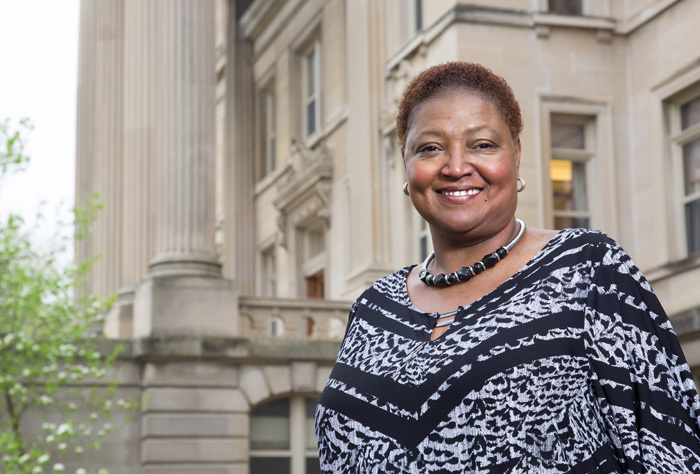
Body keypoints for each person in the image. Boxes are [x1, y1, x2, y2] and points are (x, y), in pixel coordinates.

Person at [315, 61, 700, 473]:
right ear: (406, 163)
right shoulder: (374, 308)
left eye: (482, 144)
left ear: (516, 155)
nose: (456, 166)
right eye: (429, 147)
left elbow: (673, 453)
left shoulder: (590, 270)